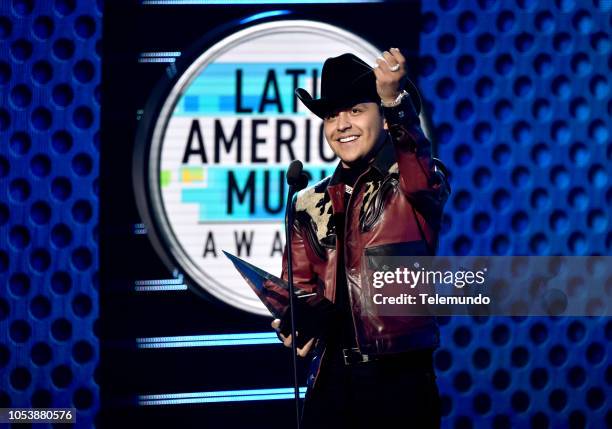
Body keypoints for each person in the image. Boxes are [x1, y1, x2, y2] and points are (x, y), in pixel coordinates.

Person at [272, 49, 450, 429]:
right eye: (332, 115)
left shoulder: (414, 182)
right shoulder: (306, 202)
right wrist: (294, 321)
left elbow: (415, 159)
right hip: (329, 384)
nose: (341, 125)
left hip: (399, 384)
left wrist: (394, 102)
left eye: (355, 110)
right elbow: (300, 289)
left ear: (383, 119)